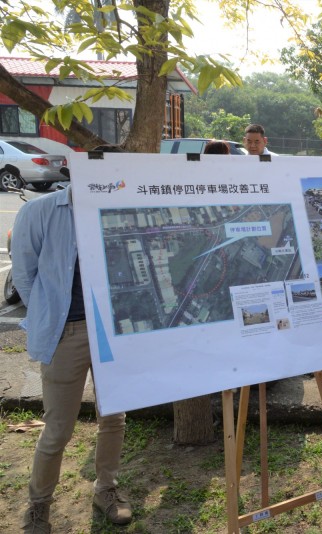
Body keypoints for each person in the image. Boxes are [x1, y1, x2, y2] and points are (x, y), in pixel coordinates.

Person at [14, 146, 132, 532]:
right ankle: (39, 505)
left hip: (111, 331)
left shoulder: (118, 210)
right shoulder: (40, 212)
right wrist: (50, 317)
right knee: (58, 428)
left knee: (113, 418)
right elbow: (25, 276)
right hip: (67, 332)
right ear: (72, 172)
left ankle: (106, 489)